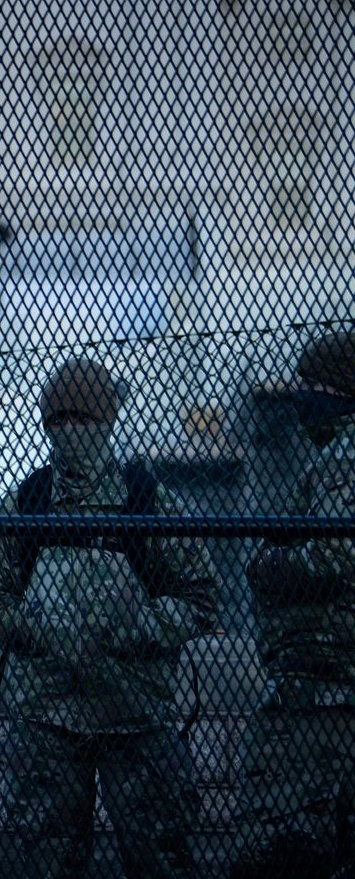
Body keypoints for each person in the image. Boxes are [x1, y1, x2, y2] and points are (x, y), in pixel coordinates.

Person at [0, 358, 218, 878]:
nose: (70, 431)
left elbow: (200, 596)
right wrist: (38, 625)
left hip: (136, 713)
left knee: (161, 859)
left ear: (107, 422)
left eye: (83, 419)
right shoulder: (29, 502)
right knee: (51, 862)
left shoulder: (146, 500)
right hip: (46, 716)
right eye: (58, 421)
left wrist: (140, 625)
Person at [232, 330, 355, 878]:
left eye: (311, 384)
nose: (301, 396)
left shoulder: (340, 459)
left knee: (276, 828)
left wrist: (266, 565)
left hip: (325, 670)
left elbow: (332, 556)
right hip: (330, 670)